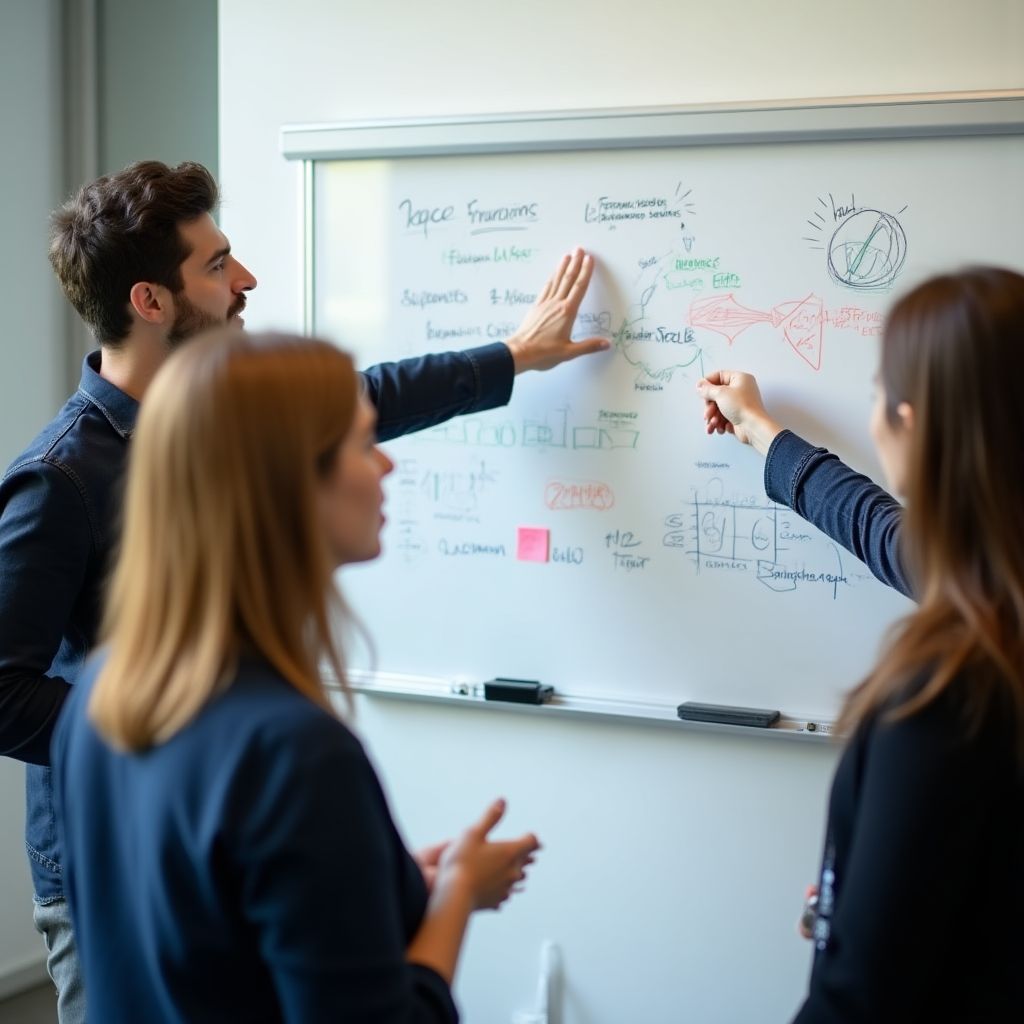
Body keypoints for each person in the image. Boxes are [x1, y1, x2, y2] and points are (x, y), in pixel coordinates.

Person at [0, 159, 605, 1021]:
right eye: (216, 266)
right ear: (150, 301)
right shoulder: (61, 486)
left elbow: (368, 396)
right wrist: (171, 736)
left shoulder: (221, 432)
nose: (243, 282)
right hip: (119, 845)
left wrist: (512, 355)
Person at [50, 329, 540, 1022]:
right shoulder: (295, 755)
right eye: (362, 443)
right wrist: (456, 891)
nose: (387, 467)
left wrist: (395, 889)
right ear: (285, 485)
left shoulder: (96, 695)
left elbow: (209, 950)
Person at [696, 267, 1024, 1020]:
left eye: (878, 395)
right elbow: (884, 531)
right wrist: (759, 430)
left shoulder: (952, 695)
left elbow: (859, 1002)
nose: (874, 416)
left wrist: (856, 921)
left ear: (914, 425)